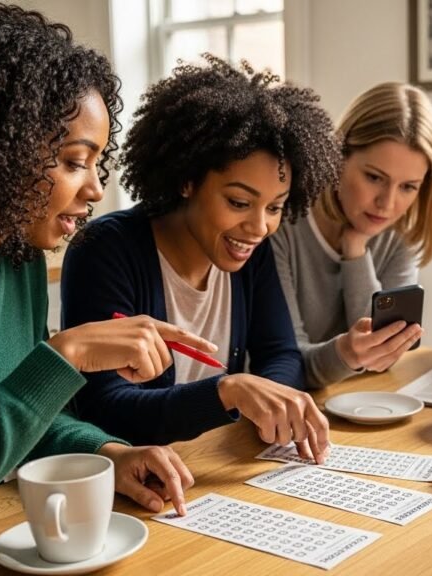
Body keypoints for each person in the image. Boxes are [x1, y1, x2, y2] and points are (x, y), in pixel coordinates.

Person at [0, 3, 207, 543]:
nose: (97, 190)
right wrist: (66, 355)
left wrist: (109, 452)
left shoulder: (16, 257)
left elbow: (19, 414)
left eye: (98, 164)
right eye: (76, 162)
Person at [62, 56, 341, 461]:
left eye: (276, 207)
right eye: (239, 201)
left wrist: (270, 403)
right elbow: (106, 408)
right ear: (187, 179)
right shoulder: (106, 249)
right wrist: (227, 392)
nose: (259, 226)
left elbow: (279, 353)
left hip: (212, 463)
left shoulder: (249, 250)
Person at [272, 82, 432, 388]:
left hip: (355, 403)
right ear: (338, 156)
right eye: (374, 177)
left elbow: (382, 358)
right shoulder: (280, 219)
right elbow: (285, 364)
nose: (388, 204)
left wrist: (355, 249)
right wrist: (346, 354)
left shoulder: (401, 235)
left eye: (408, 187)